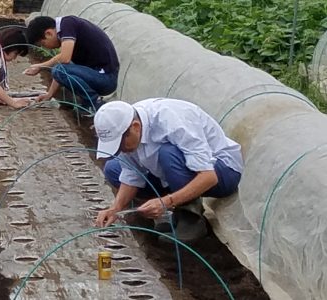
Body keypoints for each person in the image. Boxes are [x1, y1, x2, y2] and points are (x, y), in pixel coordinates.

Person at [93, 99, 243, 242]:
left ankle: (190, 218)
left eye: (120, 144)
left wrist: (166, 201)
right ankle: (161, 213)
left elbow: (208, 177)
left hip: (222, 170)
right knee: (113, 168)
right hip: (175, 173)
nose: (121, 149)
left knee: (167, 153)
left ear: (136, 127)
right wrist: (115, 208)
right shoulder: (127, 129)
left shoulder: (171, 120)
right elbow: (132, 174)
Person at [24, 15, 119, 113]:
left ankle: (94, 102)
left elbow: (64, 59)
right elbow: (64, 67)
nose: (46, 48)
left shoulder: (68, 24)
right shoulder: (67, 33)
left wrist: (41, 66)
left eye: (43, 44)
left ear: (48, 33)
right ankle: (87, 104)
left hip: (106, 78)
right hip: (97, 76)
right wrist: (49, 95)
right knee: (59, 70)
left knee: (58, 70)